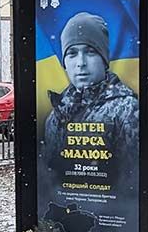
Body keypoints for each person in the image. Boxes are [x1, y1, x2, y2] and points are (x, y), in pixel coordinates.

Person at [42, 11, 140, 171]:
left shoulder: (128, 110)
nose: (81, 63)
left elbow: (131, 177)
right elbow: (50, 173)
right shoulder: (56, 114)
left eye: (90, 52)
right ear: (64, 63)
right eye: (72, 53)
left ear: (104, 59)